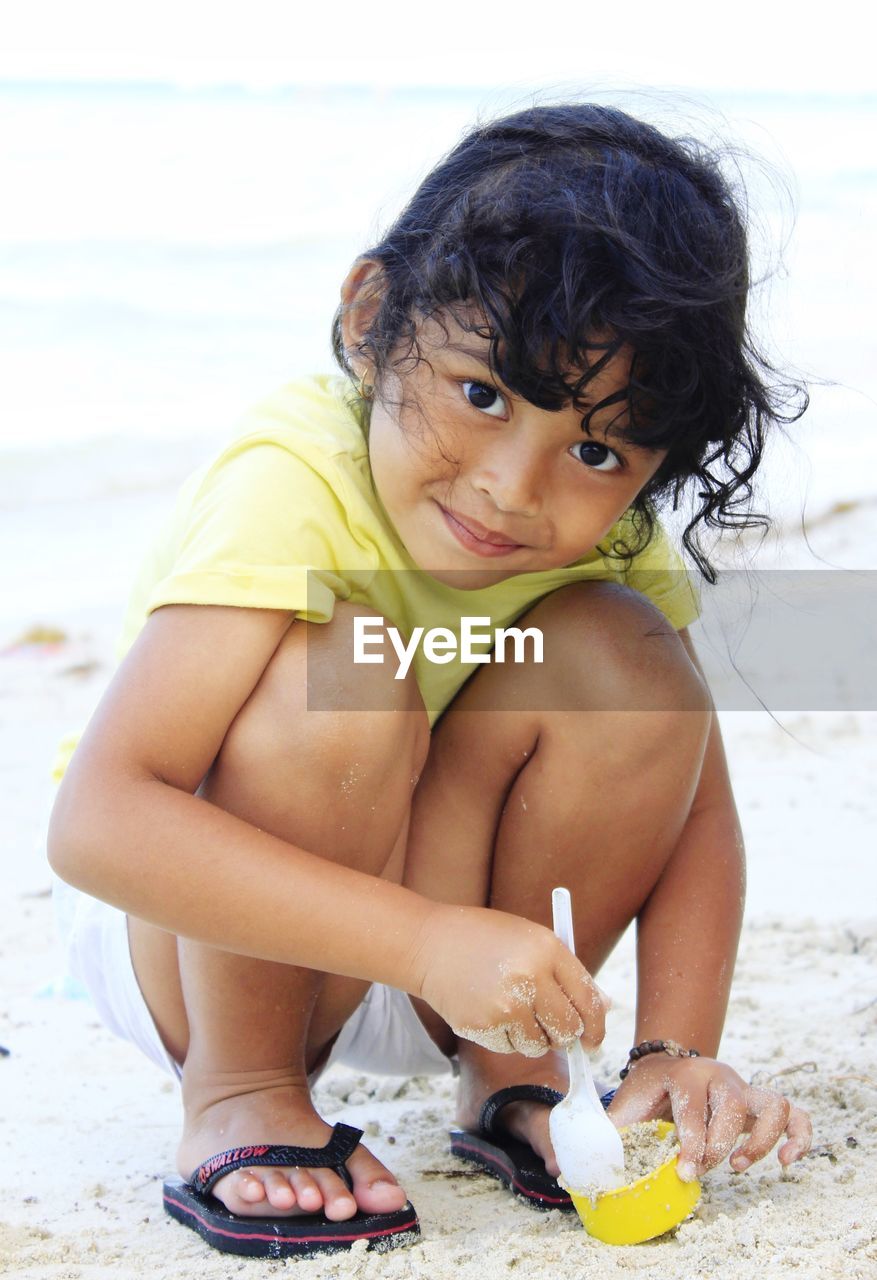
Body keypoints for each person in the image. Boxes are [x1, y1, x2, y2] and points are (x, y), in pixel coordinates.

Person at [48, 101, 813, 1258]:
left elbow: (695, 804)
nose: (515, 487)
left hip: (472, 980)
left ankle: (515, 1079)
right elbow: (98, 823)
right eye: (483, 392)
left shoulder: (604, 541)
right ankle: (244, 1092)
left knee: (625, 656)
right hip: (208, 948)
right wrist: (417, 942)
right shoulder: (293, 475)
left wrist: (669, 1047)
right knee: (343, 671)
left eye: (597, 450)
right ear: (369, 319)